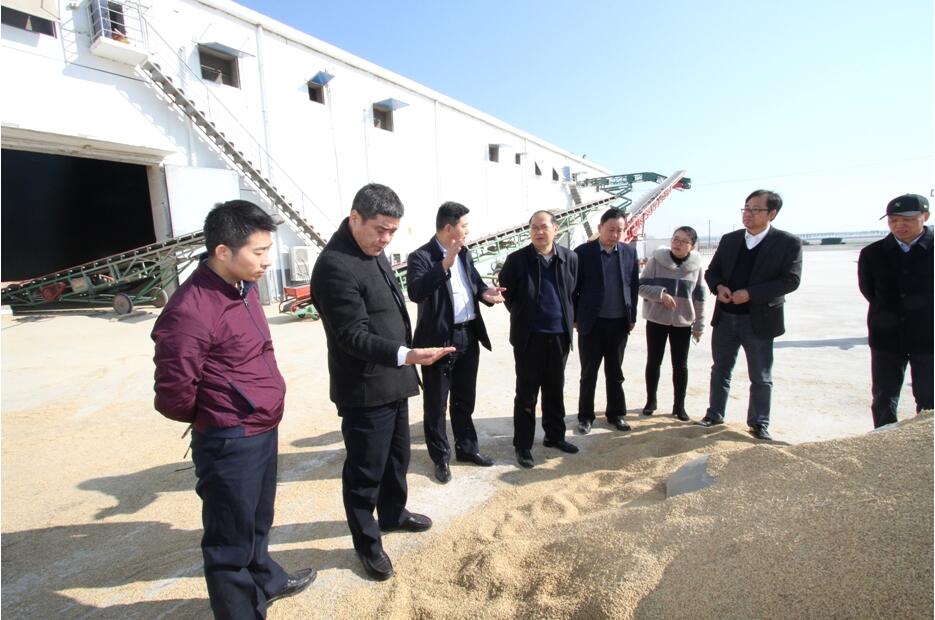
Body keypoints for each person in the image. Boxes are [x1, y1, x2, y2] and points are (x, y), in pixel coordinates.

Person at [151, 200, 315, 619]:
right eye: (258, 252)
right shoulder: (190, 311)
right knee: (229, 540)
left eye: (268, 250)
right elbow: (172, 394)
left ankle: (266, 580)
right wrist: (219, 413)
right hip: (229, 437)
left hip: (261, 426)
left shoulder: (245, 287)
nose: (267, 261)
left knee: (257, 519)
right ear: (222, 251)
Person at [310, 183, 454, 582]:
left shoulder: (373, 250)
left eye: (392, 231)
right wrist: (407, 354)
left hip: (394, 378)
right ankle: (368, 544)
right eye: (380, 229)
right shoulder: (335, 265)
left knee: (397, 459)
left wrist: (405, 359)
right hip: (364, 387)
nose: (386, 239)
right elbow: (351, 336)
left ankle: (393, 513)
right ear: (355, 218)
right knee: (365, 472)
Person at [406, 201, 506, 484]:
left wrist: (486, 293)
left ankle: (467, 449)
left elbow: (474, 284)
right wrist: (444, 265)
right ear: (449, 228)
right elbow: (416, 292)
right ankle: (440, 458)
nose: (467, 230)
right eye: (464, 225)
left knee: (464, 399)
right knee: (436, 404)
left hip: (468, 335)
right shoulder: (421, 257)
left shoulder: (465, 253)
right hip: (439, 341)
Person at [698, 189, 802, 441]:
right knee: (720, 369)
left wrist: (751, 293)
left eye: (756, 209)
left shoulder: (788, 243)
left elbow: (791, 280)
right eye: (746, 208)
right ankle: (714, 414)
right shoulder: (730, 240)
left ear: (772, 214)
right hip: (726, 317)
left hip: (759, 321)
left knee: (760, 376)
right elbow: (712, 272)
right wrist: (719, 287)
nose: (748, 214)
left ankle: (759, 423)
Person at [498, 210, 579, 468]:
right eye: (534, 227)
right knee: (526, 393)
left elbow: (573, 292)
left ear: (556, 229)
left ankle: (555, 436)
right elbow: (508, 296)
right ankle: (523, 445)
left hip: (559, 335)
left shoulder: (569, 258)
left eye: (544, 227)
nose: (539, 232)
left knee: (555, 390)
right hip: (528, 338)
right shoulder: (516, 260)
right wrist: (526, 316)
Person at [857, 193, 933, 428]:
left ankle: (926, 440)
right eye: (893, 220)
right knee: (884, 396)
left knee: (929, 397)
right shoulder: (872, 253)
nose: (899, 225)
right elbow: (869, 291)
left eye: (907, 219)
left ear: (925, 216)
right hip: (886, 335)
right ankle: (883, 439)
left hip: (928, 336)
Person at [571, 207, 640, 434]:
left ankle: (616, 414)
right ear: (600, 227)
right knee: (588, 373)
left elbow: (633, 286)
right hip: (591, 324)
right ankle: (585, 417)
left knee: (615, 373)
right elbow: (573, 289)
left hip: (618, 323)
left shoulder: (629, 253)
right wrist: (575, 317)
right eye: (611, 229)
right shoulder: (582, 253)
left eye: (620, 230)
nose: (615, 234)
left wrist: (632, 316)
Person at [637, 226, 706, 421]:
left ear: (692, 246)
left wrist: (699, 326)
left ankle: (679, 406)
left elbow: (700, 297)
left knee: (680, 365)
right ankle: (651, 401)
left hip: (683, 323)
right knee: (654, 361)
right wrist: (661, 295)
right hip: (657, 320)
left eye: (684, 241)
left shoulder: (696, 266)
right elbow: (640, 286)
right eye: (676, 239)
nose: (678, 244)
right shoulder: (656, 260)